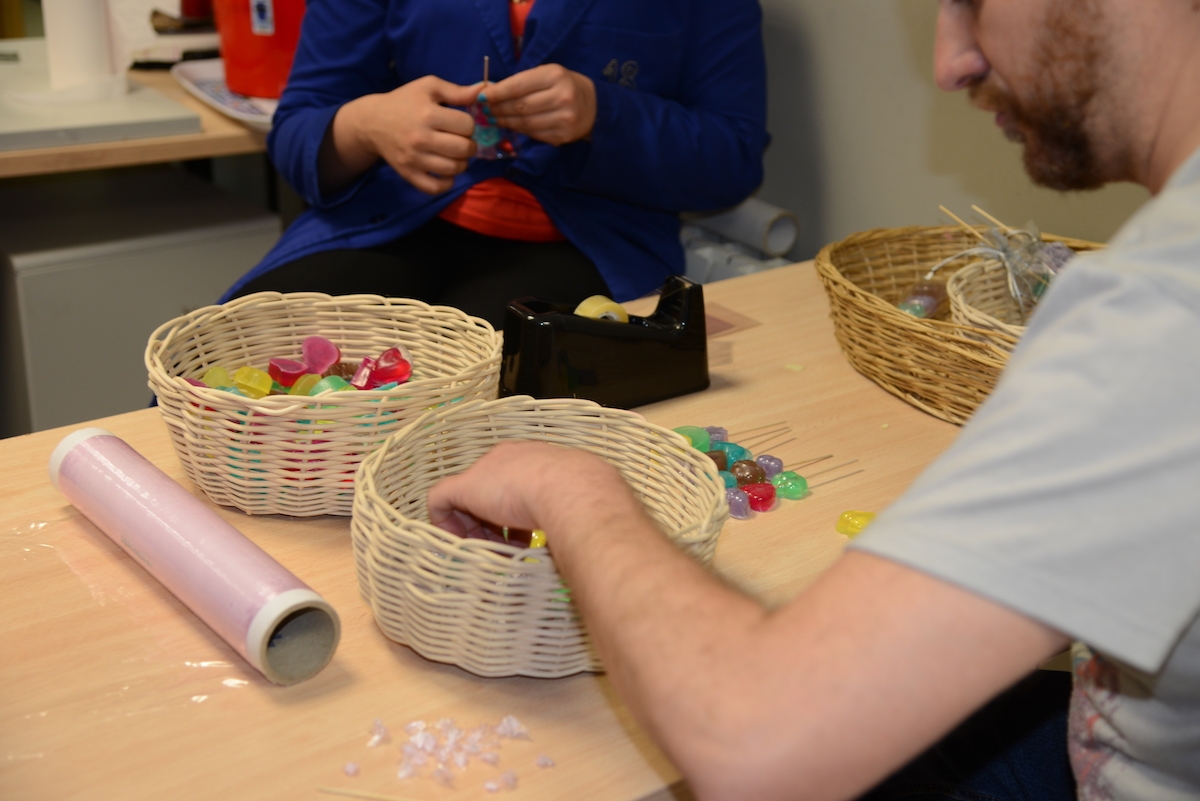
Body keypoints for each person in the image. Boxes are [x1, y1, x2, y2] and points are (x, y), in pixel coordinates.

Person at [424, 1, 1200, 799]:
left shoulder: (1162, 307)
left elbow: (751, 738)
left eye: (972, 1)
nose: (949, 64)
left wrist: (569, 484)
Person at [220, 0, 770, 327]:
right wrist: (368, 124)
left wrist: (604, 114)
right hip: (386, 223)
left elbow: (731, 160)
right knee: (222, 370)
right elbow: (295, 135)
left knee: (459, 412)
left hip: (585, 244)